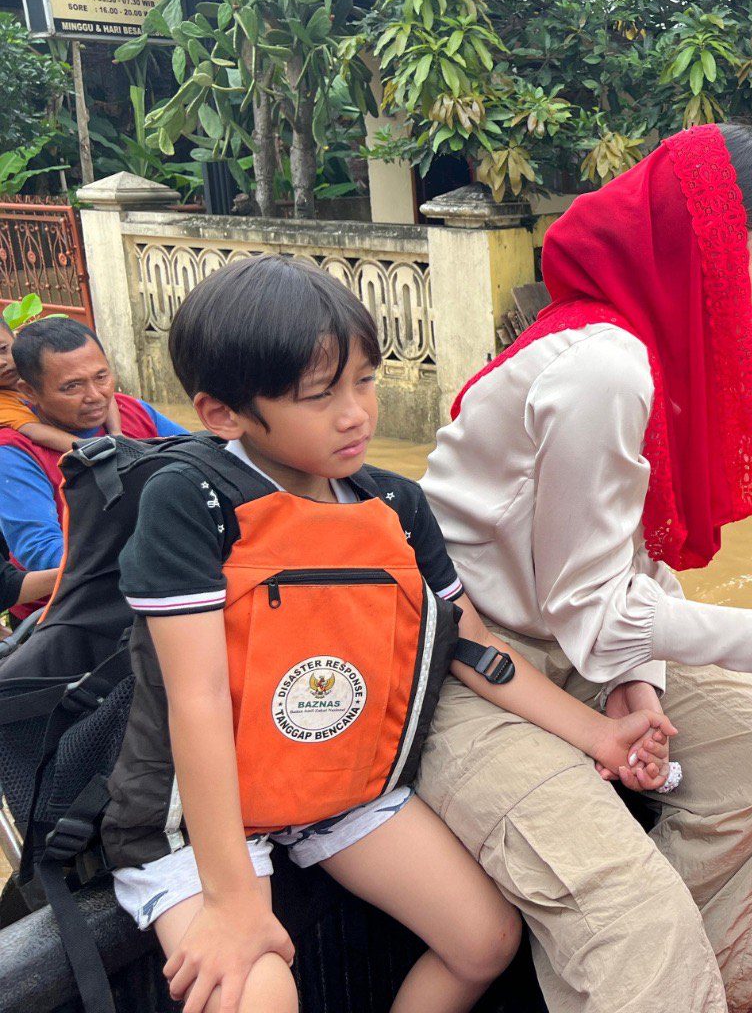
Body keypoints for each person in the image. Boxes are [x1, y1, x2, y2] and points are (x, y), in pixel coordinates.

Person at [103, 255, 677, 1013]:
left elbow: (474, 646)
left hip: (336, 787)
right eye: (320, 395)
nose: (356, 413)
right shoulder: (195, 499)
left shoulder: (396, 506)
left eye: (365, 381)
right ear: (221, 414)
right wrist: (236, 903)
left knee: (484, 941)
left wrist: (600, 736)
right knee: (258, 991)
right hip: (197, 814)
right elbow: (200, 699)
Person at [418, 122, 752, 1013]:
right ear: (714, 238)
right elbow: (592, 607)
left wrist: (640, 680)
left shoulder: (651, 352)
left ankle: (687, 989)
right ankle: (652, 966)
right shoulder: (604, 365)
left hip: (571, 648)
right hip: (465, 672)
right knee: (632, 920)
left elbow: (626, 564)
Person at [0, 317, 186, 574]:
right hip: (72, 603)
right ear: (29, 392)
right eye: (72, 387)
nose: (95, 396)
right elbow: (42, 550)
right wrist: (148, 557)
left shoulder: (132, 410)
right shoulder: (14, 452)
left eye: (101, 377)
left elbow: (200, 460)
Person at [0, 316, 122, 451]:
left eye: (3, 349)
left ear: (14, 337)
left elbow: (105, 397)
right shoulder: (4, 406)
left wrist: (117, 433)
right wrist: (98, 451)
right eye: (72, 386)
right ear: (29, 391)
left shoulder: (34, 358)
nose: (1, 363)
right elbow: (39, 433)